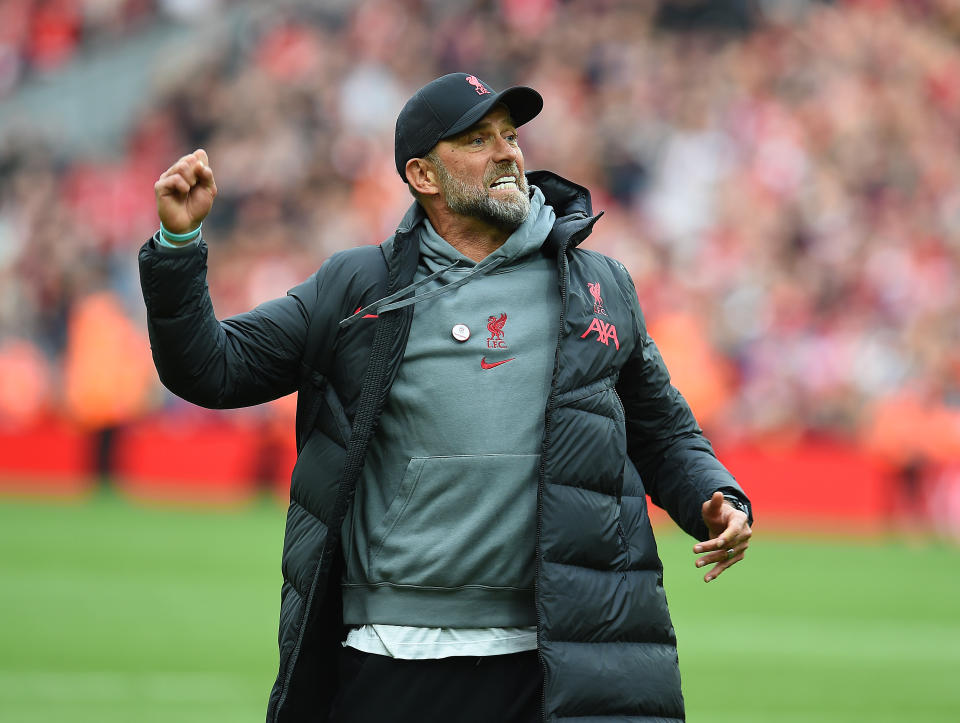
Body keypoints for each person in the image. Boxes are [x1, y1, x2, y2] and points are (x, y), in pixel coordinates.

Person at [139, 72, 753, 723]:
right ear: (425, 176)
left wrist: (716, 498)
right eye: (478, 139)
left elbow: (663, 431)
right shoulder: (359, 286)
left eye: (511, 135)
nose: (508, 152)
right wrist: (180, 245)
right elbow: (214, 368)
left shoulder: (598, 286)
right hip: (393, 655)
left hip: (554, 658)